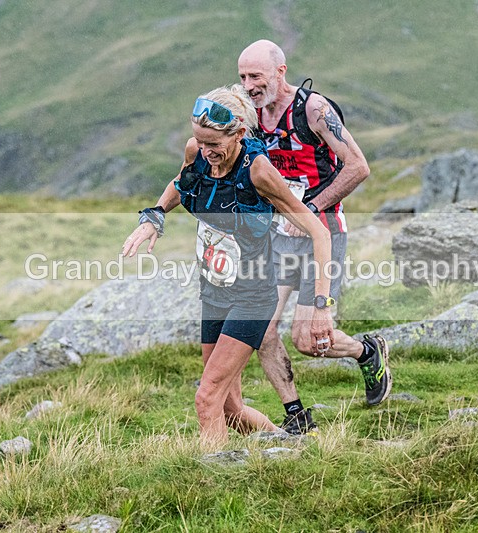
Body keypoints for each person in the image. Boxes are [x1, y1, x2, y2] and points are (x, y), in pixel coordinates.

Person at [121, 84, 336, 446]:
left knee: (206, 398)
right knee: (230, 409)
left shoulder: (259, 172)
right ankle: (292, 446)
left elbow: (319, 232)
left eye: (214, 145)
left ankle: (212, 480)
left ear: (238, 133)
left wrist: (320, 307)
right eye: (200, 143)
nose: (206, 153)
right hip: (215, 292)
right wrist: (154, 216)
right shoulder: (198, 152)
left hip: (252, 297)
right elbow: (183, 182)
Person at [238, 40, 392, 435]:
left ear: (280, 71)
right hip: (277, 236)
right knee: (261, 329)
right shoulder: (250, 114)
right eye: (242, 77)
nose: (249, 84)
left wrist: (309, 211)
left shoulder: (313, 110)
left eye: (256, 76)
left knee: (307, 339)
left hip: (323, 231)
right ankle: (296, 416)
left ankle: (366, 351)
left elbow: (358, 167)